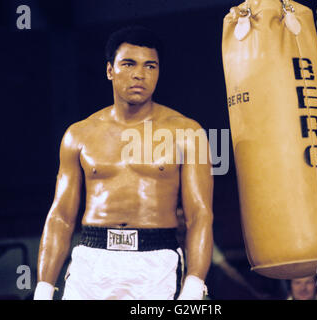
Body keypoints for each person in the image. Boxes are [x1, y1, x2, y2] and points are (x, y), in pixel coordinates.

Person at [34, 26, 214, 300]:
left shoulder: (187, 133)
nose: (139, 74)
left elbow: (200, 214)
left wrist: (194, 283)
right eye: (129, 64)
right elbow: (60, 216)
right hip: (91, 261)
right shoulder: (79, 134)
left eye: (150, 66)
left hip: (156, 264)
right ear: (110, 70)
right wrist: (44, 288)